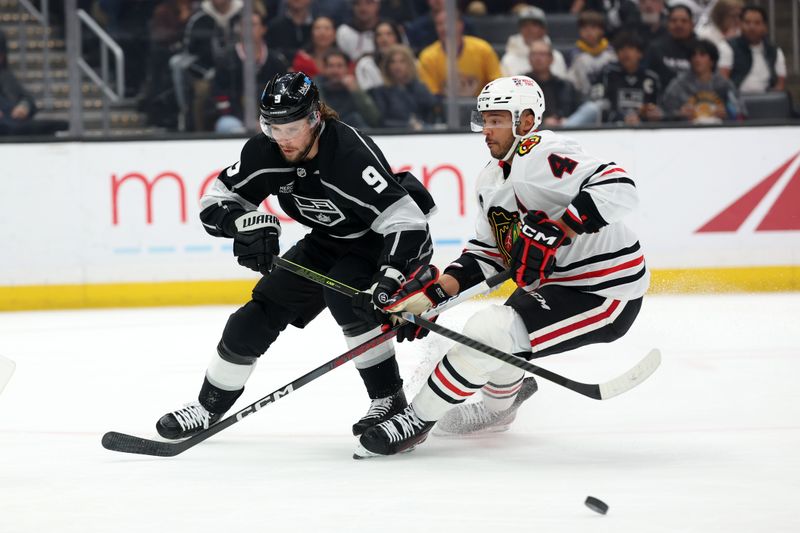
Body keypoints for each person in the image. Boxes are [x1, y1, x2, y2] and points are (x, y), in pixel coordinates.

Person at [354, 75, 650, 457]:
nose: (486, 130)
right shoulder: (490, 180)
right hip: (552, 286)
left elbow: (619, 186)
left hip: (603, 291)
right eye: (485, 119)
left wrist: (561, 229)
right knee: (499, 341)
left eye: (496, 119)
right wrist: (432, 296)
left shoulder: (541, 150)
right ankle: (500, 410)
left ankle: (416, 420)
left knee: (491, 333)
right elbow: (486, 254)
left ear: (525, 121)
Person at [155, 72, 436, 445]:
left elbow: (407, 220)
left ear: (315, 117)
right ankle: (207, 406)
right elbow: (215, 199)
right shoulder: (264, 151)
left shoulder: (349, 155)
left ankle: (388, 398)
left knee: (347, 298)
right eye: (274, 127)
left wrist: (389, 277)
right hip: (327, 241)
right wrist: (241, 224)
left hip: (378, 241)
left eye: (292, 127)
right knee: (254, 316)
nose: (283, 139)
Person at [211, 12, 289, 133]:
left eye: (253, 25)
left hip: (271, 120)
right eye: (244, 25)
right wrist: (245, 120)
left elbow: (284, 97)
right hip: (235, 119)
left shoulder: (276, 61)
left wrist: (265, 121)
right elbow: (220, 96)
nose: (248, 29)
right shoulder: (226, 59)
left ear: (263, 29)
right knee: (226, 126)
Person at [417, 9, 502, 97]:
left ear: (460, 25)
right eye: (440, 24)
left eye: (449, 22)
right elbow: (431, 96)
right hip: (445, 109)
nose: (444, 28)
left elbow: (497, 84)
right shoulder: (428, 57)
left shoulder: (483, 49)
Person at [662, 38, 743, 122]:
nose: (697, 59)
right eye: (693, 55)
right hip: (686, 131)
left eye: (702, 55)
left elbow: (741, 112)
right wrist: (679, 114)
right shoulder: (679, 85)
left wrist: (727, 114)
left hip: (720, 131)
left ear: (712, 61)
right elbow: (663, 113)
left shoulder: (724, 85)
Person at [592, 32, 662, 124]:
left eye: (630, 48)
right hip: (612, 128)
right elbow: (597, 106)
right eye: (621, 49)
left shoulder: (651, 78)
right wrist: (622, 118)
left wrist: (650, 115)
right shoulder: (607, 74)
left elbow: (659, 108)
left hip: (645, 130)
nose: (625, 53)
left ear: (640, 54)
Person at [718, 5, 786, 94]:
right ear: (740, 24)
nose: (752, 27)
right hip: (736, 100)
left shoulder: (775, 51)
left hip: (767, 100)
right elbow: (723, 82)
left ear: (765, 27)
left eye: (757, 23)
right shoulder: (727, 47)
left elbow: (780, 84)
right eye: (747, 22)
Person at [368, 44, 440, 129]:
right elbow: (382, 122)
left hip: (423, 134)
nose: (397, 66)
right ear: (387, 66)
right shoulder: (380, 92)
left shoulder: (419, 87)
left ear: (409, 64)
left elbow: (433, 109)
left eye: (402, 61)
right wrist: (409, 126)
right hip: (394, 136)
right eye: (392, 62)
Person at [316, 48, 381, 128]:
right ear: (324, 69)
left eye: (339, 66)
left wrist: (356, 92)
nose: (335, 71)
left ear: (347, 68)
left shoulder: (354, 88)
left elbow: (374, 119)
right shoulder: (316, 86)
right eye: (331, 66)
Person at [501, 6, 567, 79]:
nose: (529, 29)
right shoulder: (508, 59)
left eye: (534, 25)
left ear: (544, 29)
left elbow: (562, 86)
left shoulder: (556, 57)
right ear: (520, 30)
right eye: (524, 25)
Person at [643, 4, 697, 88]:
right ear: (668, 23)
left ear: (692, 25)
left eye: (684, 21)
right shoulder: (655, 49)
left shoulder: (702, 50)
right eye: (674, 21)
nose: (679, 25)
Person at [565, 11, 616, 97]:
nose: (588, 32)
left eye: (593, 28)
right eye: (584, 28)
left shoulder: (611, 53)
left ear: (601, 30)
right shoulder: (574, 54)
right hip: (581, 96)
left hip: (607, 96)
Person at [354, 20, 405, 91]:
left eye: (389, 34)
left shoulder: (411, 62)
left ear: (397, 38)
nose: (384, 39)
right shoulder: (366, 65)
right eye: (379, 35)